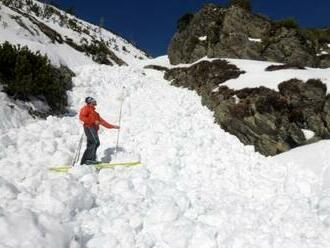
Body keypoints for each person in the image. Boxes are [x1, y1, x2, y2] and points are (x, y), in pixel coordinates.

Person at [79, 96, 119, 165]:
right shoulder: (86, 108)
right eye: (93, 100)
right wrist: (93, 121)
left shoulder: (95, 113)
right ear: (89, 102)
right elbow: (82, 117)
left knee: (93, 143)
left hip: (93, 129)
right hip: (89, 127)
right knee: (95, 142)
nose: (95, 101)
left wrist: (113, 126)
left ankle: (85, 161)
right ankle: (89, 160)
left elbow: (103, 122)